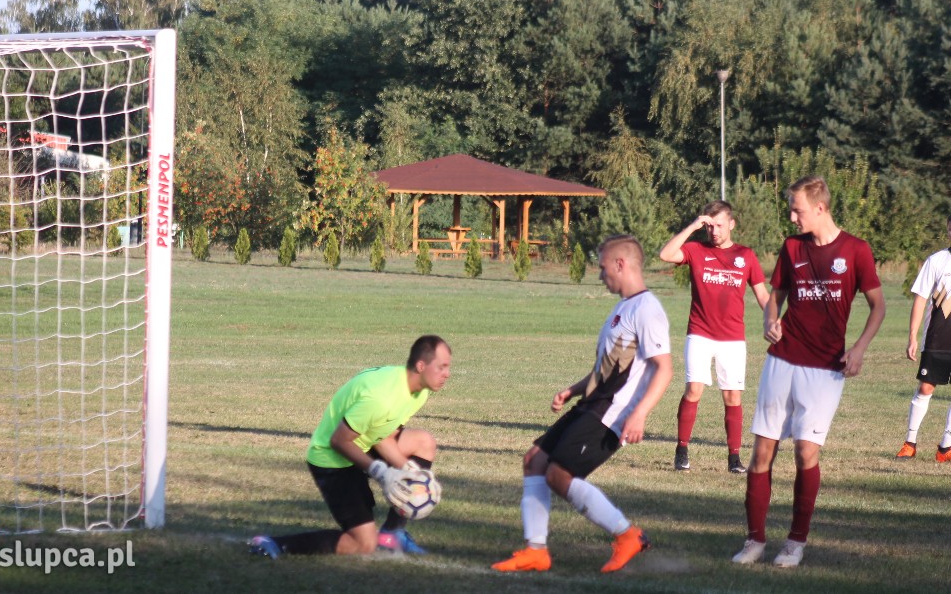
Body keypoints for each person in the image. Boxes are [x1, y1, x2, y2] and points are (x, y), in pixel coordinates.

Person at [491, 234, 672, 574]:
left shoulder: (648, 309)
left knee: (559, 475)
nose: (601, 275)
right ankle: (536, 551)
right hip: (592, 404)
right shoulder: (623, 308)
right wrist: (574, 390)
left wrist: (640, 414)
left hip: (611, 414)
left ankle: (627, 535)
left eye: (604, 268)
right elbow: (607, 367)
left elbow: (664, 368)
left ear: (621, 264)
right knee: (534, 461)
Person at [732, 176, 885, 569]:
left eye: (796, 208)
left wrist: (859, 349)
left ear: (820, 208)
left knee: (805, 452)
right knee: (762, 452)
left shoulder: (856, 250)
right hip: (782, 360)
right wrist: (771, 319)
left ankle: (795, 543)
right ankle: (754, 541)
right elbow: (775, 297)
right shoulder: (791, 247)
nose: (791, 215)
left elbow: (878, 306)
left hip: (825, 368)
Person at [249, 335, 452, 558]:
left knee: (424, 443)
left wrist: (409, 470)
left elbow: (384, 437)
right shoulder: (381, 397)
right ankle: (275, 543)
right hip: (331, 458)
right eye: (441, 367)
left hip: (361, 444)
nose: (447, 374)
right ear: (421, 366)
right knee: (362, 544)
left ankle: (392, 534)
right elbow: (338, 441)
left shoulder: (418, 390)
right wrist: (381, 472)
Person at [659, 201, 769, 474]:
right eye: (710, 226)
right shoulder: (696, 250)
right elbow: (665, 254)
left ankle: (734, 458)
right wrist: (693, 227)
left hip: (733, 338)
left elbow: (763, 295)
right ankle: (681, 450)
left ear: (732, 224)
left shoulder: (746, 255)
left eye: (719, 225)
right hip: (700, 333)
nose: (714, 231)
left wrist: (778, 321)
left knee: (733, 396)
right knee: (694, 390)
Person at [895, 215, 951, 462]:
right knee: (926, 387)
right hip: (938, 337)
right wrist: (912, 336)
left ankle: (945, 448)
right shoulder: (937, 261)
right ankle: (910, 442)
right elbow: (920, 298)